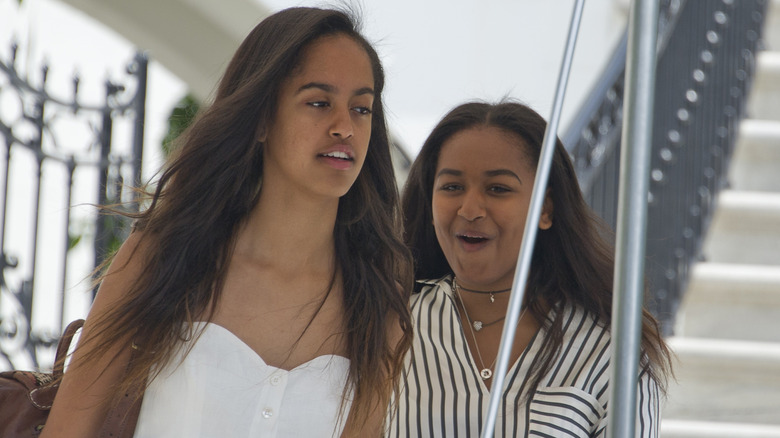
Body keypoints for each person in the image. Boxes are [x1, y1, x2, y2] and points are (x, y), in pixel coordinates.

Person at [41, 7, 413, 438]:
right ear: (261, 120)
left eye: (362, 109)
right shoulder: (161, 257)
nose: (344, 127)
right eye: (318, 102)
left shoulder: (377, 296)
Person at [389, 101, 673, 437]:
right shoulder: (388, 328)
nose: (470, 209)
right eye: (452, 187)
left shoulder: (611, 355)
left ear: (546, 208)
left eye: (498, 189)